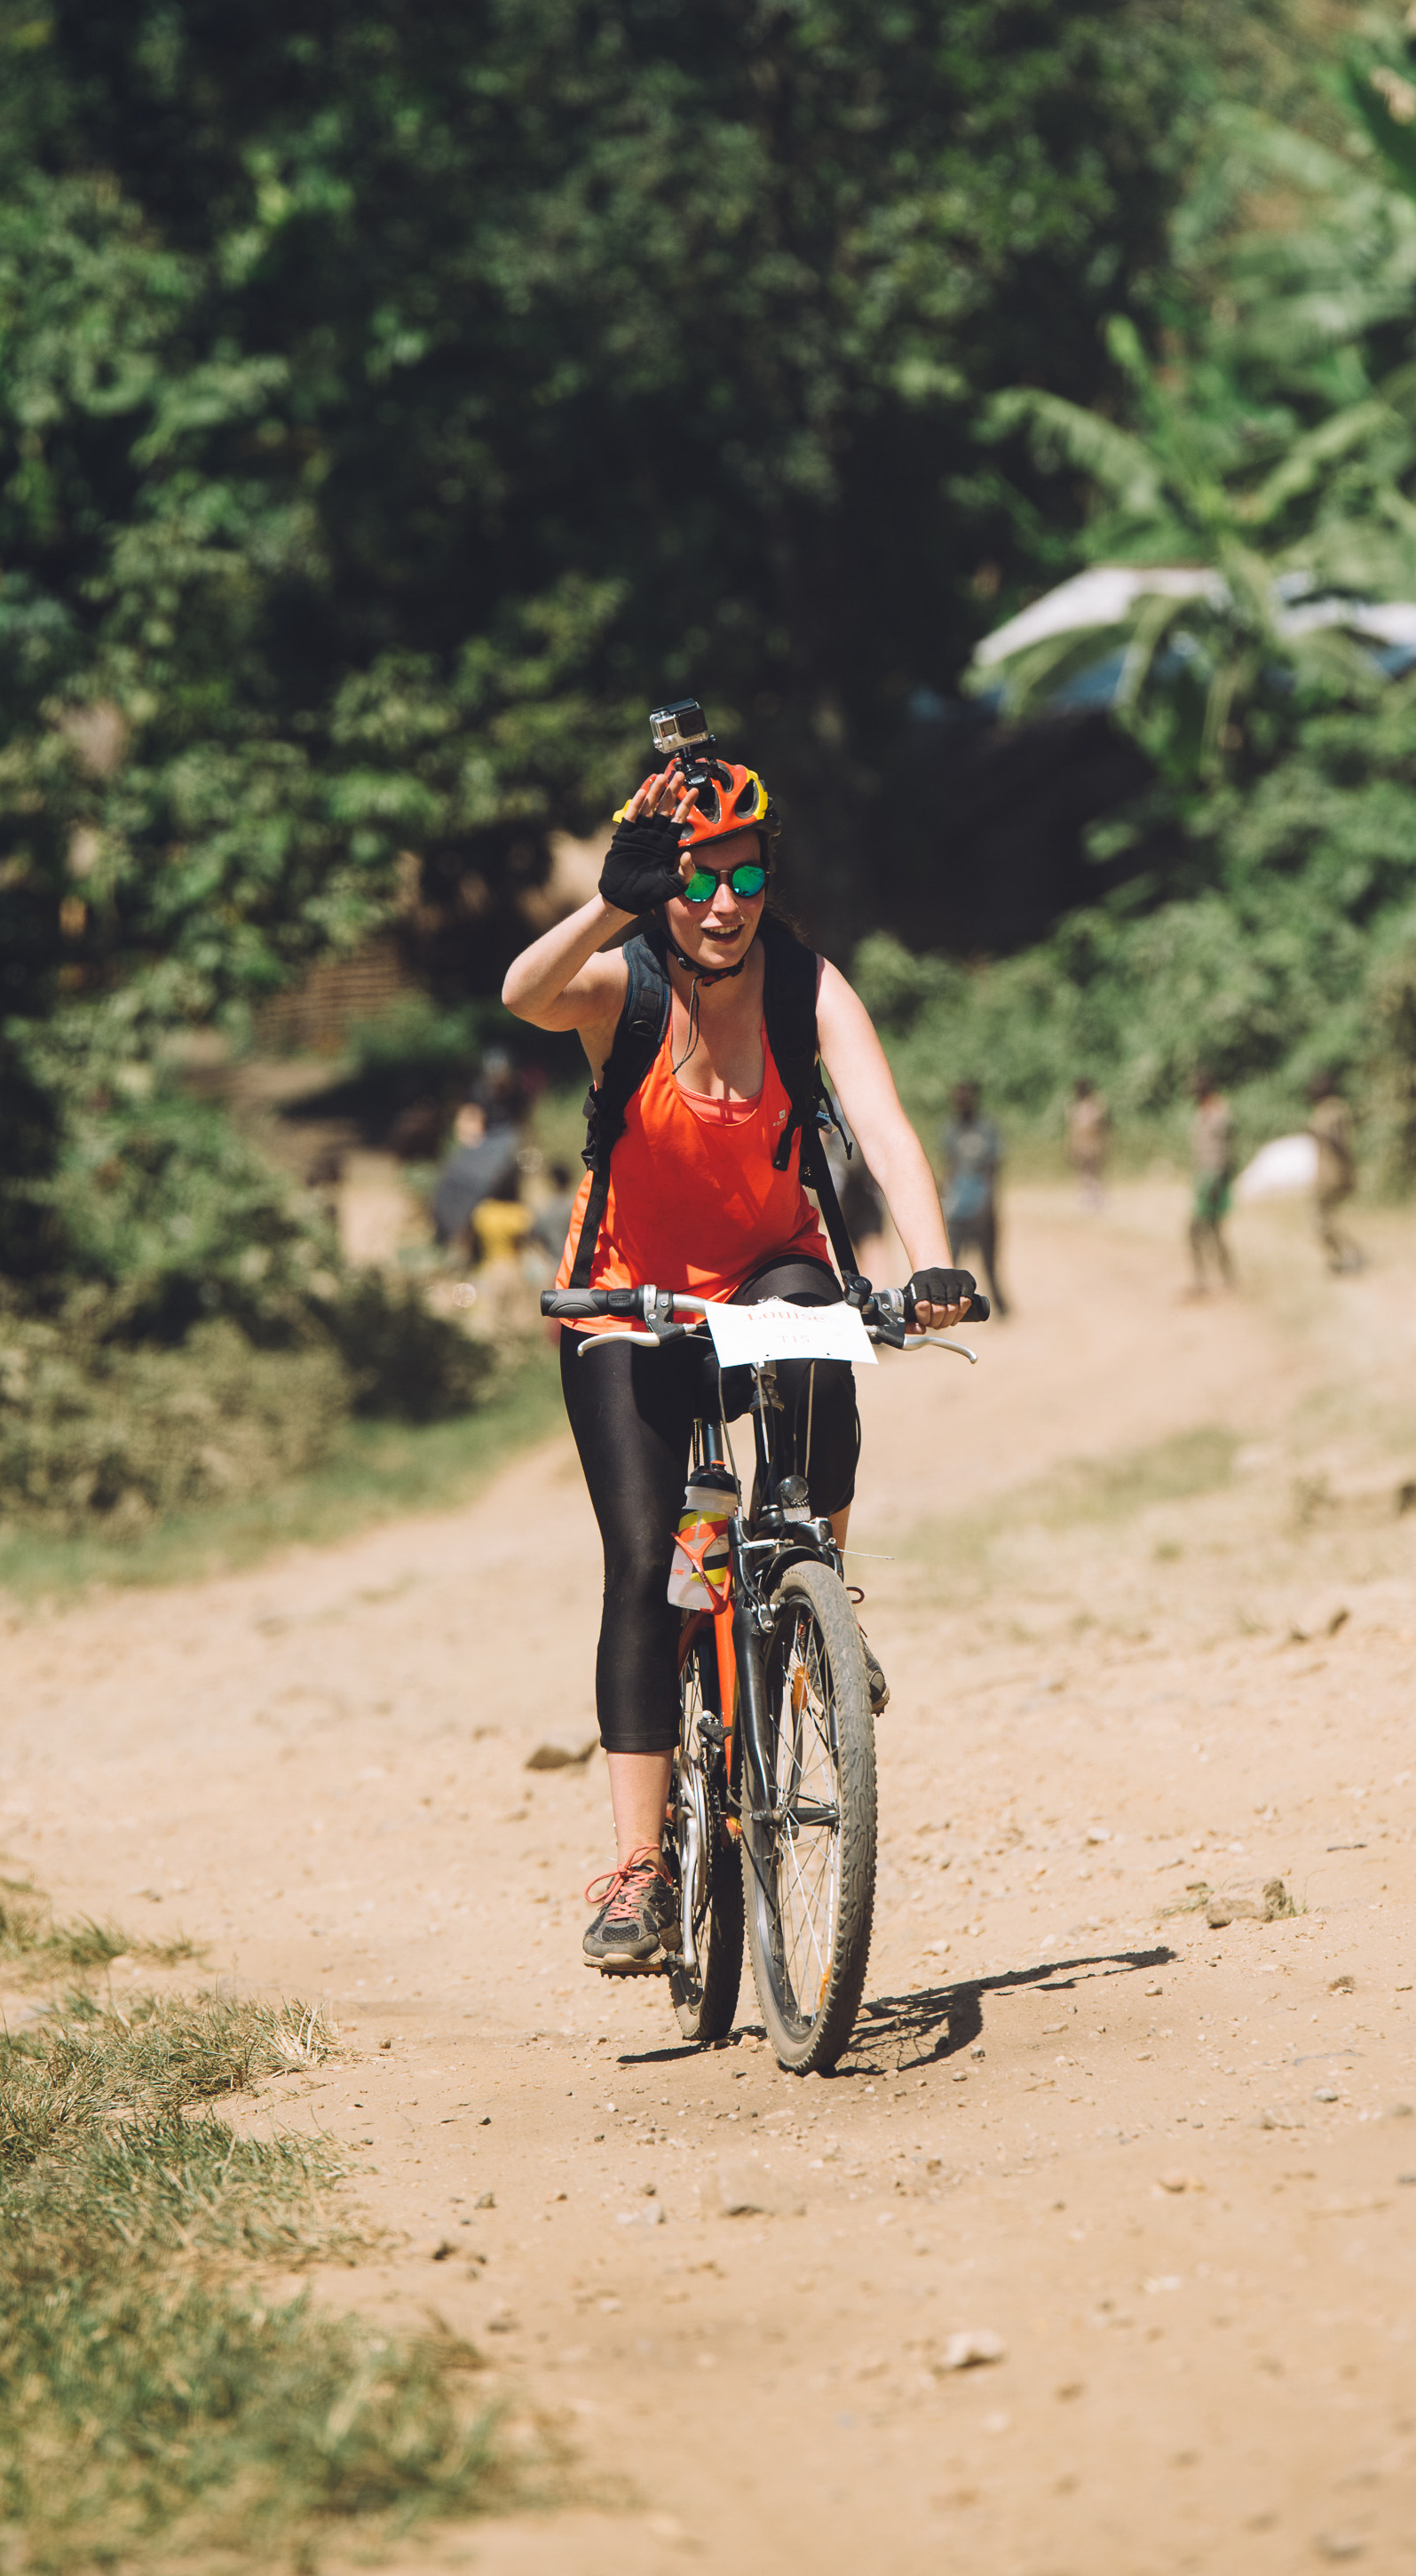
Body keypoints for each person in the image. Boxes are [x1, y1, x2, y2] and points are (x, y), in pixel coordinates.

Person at [502, 749, 976, 1976]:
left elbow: (883, 1128)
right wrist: (613, 899)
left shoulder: (805, 984)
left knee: (824, 1334)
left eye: (747, 871)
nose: (726, 901)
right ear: (665, 882)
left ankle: (816, 1589)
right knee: (645, 1564)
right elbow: (521, 994)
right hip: (625, 1299)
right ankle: (642, 1866)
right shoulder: (627, 987)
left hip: (766, 1271)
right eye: (699, 876)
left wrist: (930, 1263)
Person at [941, 1080, 1009, 1317]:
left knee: (989, 1264)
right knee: (951, 1262)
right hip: (957, 1208)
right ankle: (946, 1309)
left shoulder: (987, 1130)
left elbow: (994, 1170)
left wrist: (988, 1205)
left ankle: (1000, 1308)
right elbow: (949, 1168)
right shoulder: (950, 1130)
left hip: (982, 1207)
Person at [1308, 1069, 1363, 1274]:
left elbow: (1340, 1141)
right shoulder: (1331, 1109)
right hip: (1329, 1174)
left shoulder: (1332, 1110)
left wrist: (1318, 1134)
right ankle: (1343, 1257)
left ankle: (1352, 1254)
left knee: (1323, 1221)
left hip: (1334, 1174)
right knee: (1323, 1221)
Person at [1187, 1068, 1236, 1293]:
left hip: (1213, 1179)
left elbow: (1223, 1151)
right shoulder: (1206, 1111)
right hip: (1206, 1178)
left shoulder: (1217, 1112)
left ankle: (1205, 1280)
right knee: (1213, 1231)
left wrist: (1216, 1182)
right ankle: (1226, 1278)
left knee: (1199, 1230)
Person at [1066, 1077, 1110, 1213]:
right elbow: (1072, 1127)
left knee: (1095, 1170)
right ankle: (1086, 1196)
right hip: (1080, 1142)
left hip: (1093, 1141)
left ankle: (1096, 1197)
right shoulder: (1075, 1105)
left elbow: (1102, 1124)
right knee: (1082, 1170)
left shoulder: (1095, 1104)